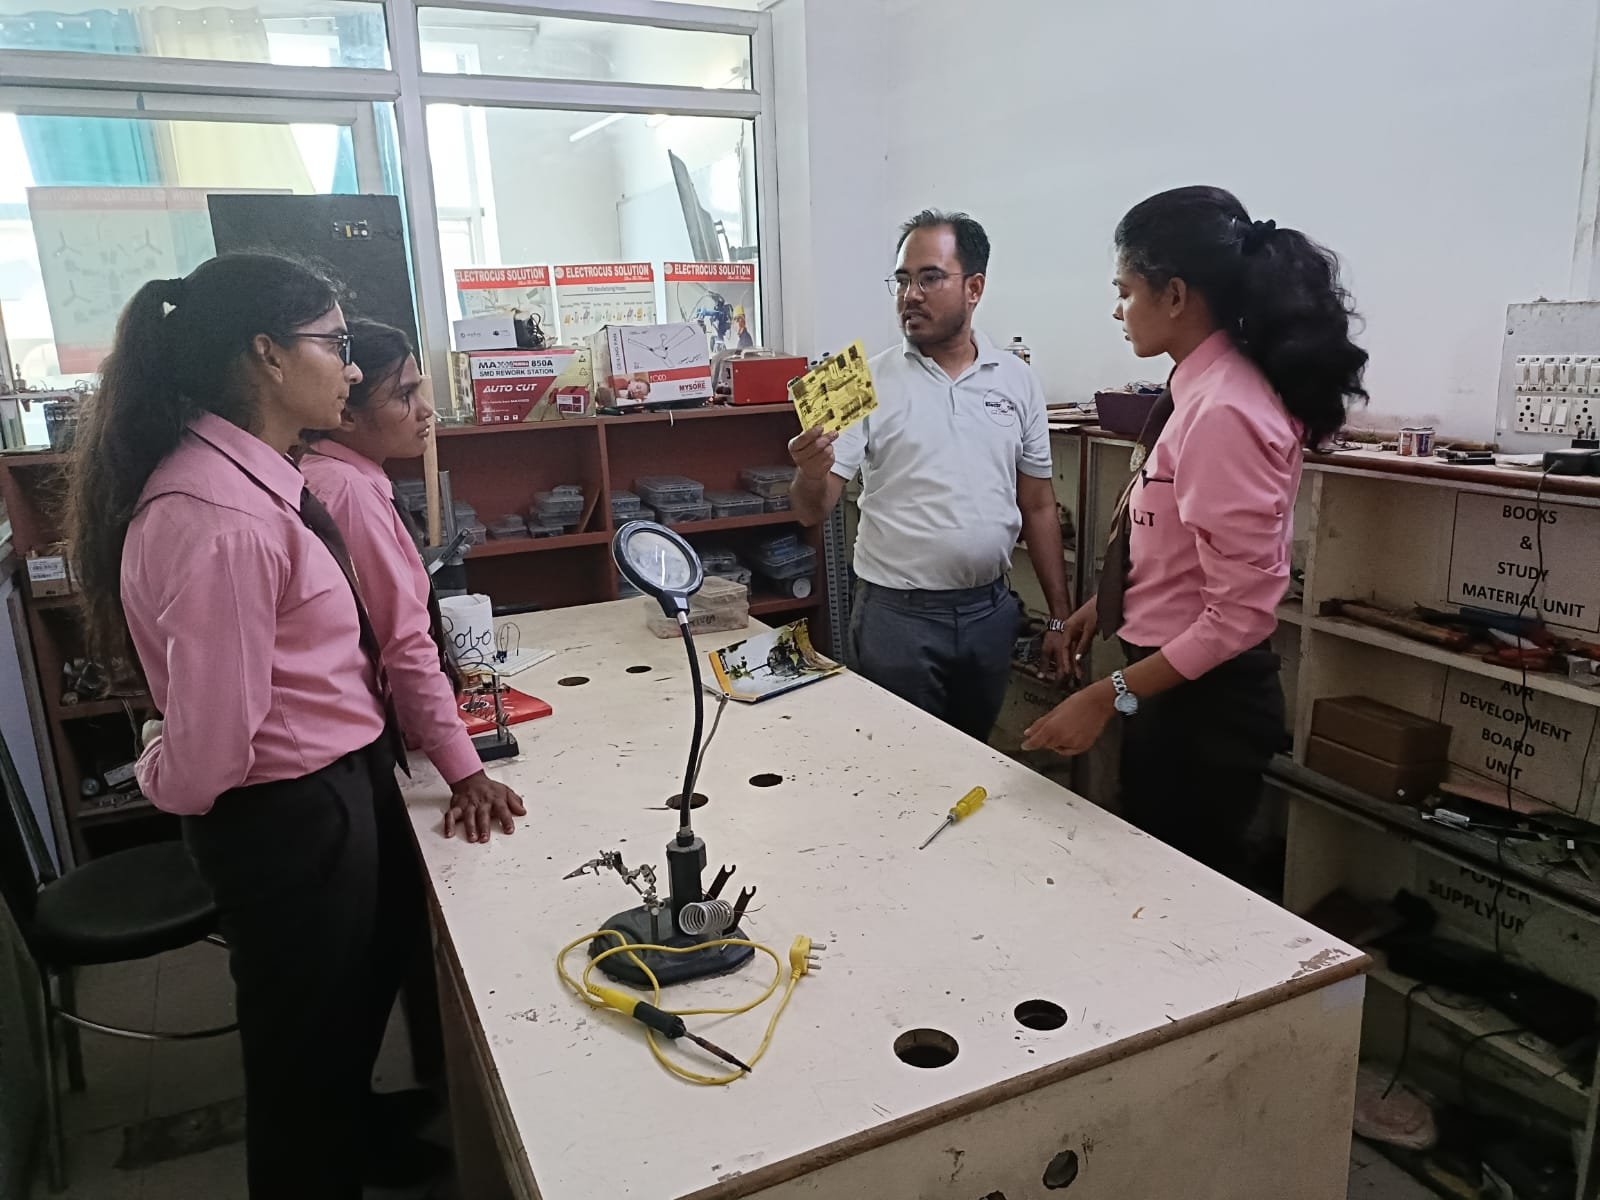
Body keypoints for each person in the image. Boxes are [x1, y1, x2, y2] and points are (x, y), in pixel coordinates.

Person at [67, 253, 445, 1198]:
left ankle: (362, 1142)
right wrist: (160, 767)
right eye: (336, 345)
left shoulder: (260, 477)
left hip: (331, 789)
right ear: (268, 355)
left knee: (338, 1029)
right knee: (298, 1070)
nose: (352, 370)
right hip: (284, 817)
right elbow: (212, 749)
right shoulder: (218, 515)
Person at [1022, 186, 1368, 881]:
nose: (1116, 310)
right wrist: (1108, 605)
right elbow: (1173, 537)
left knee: (1182, 901)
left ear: (1174, 295)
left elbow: (1237, 616)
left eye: (1124, 290)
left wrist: (1106, 694)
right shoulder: (1197, 389)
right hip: (1170, 685)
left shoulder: (1224, 411)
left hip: (1205, 708)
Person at [788, 209, 1073, 740]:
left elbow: (1037, 504)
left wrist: (1058, 617)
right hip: (897, 618)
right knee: (901, 765)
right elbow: (811, 508)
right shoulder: (860, 381)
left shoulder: (1017, 380)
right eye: (901, 280)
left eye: (929, 278)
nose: (910, 295)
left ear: (975, 287)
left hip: (990, 612)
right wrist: (810, 472)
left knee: (975, 756)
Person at [301, 318, 526, 843]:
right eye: (404, 396)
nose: (426, 410)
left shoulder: (340, 473)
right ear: (347, 413)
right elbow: (402, 642)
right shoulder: (349, 492)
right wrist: (467, 774)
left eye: (420, 390)